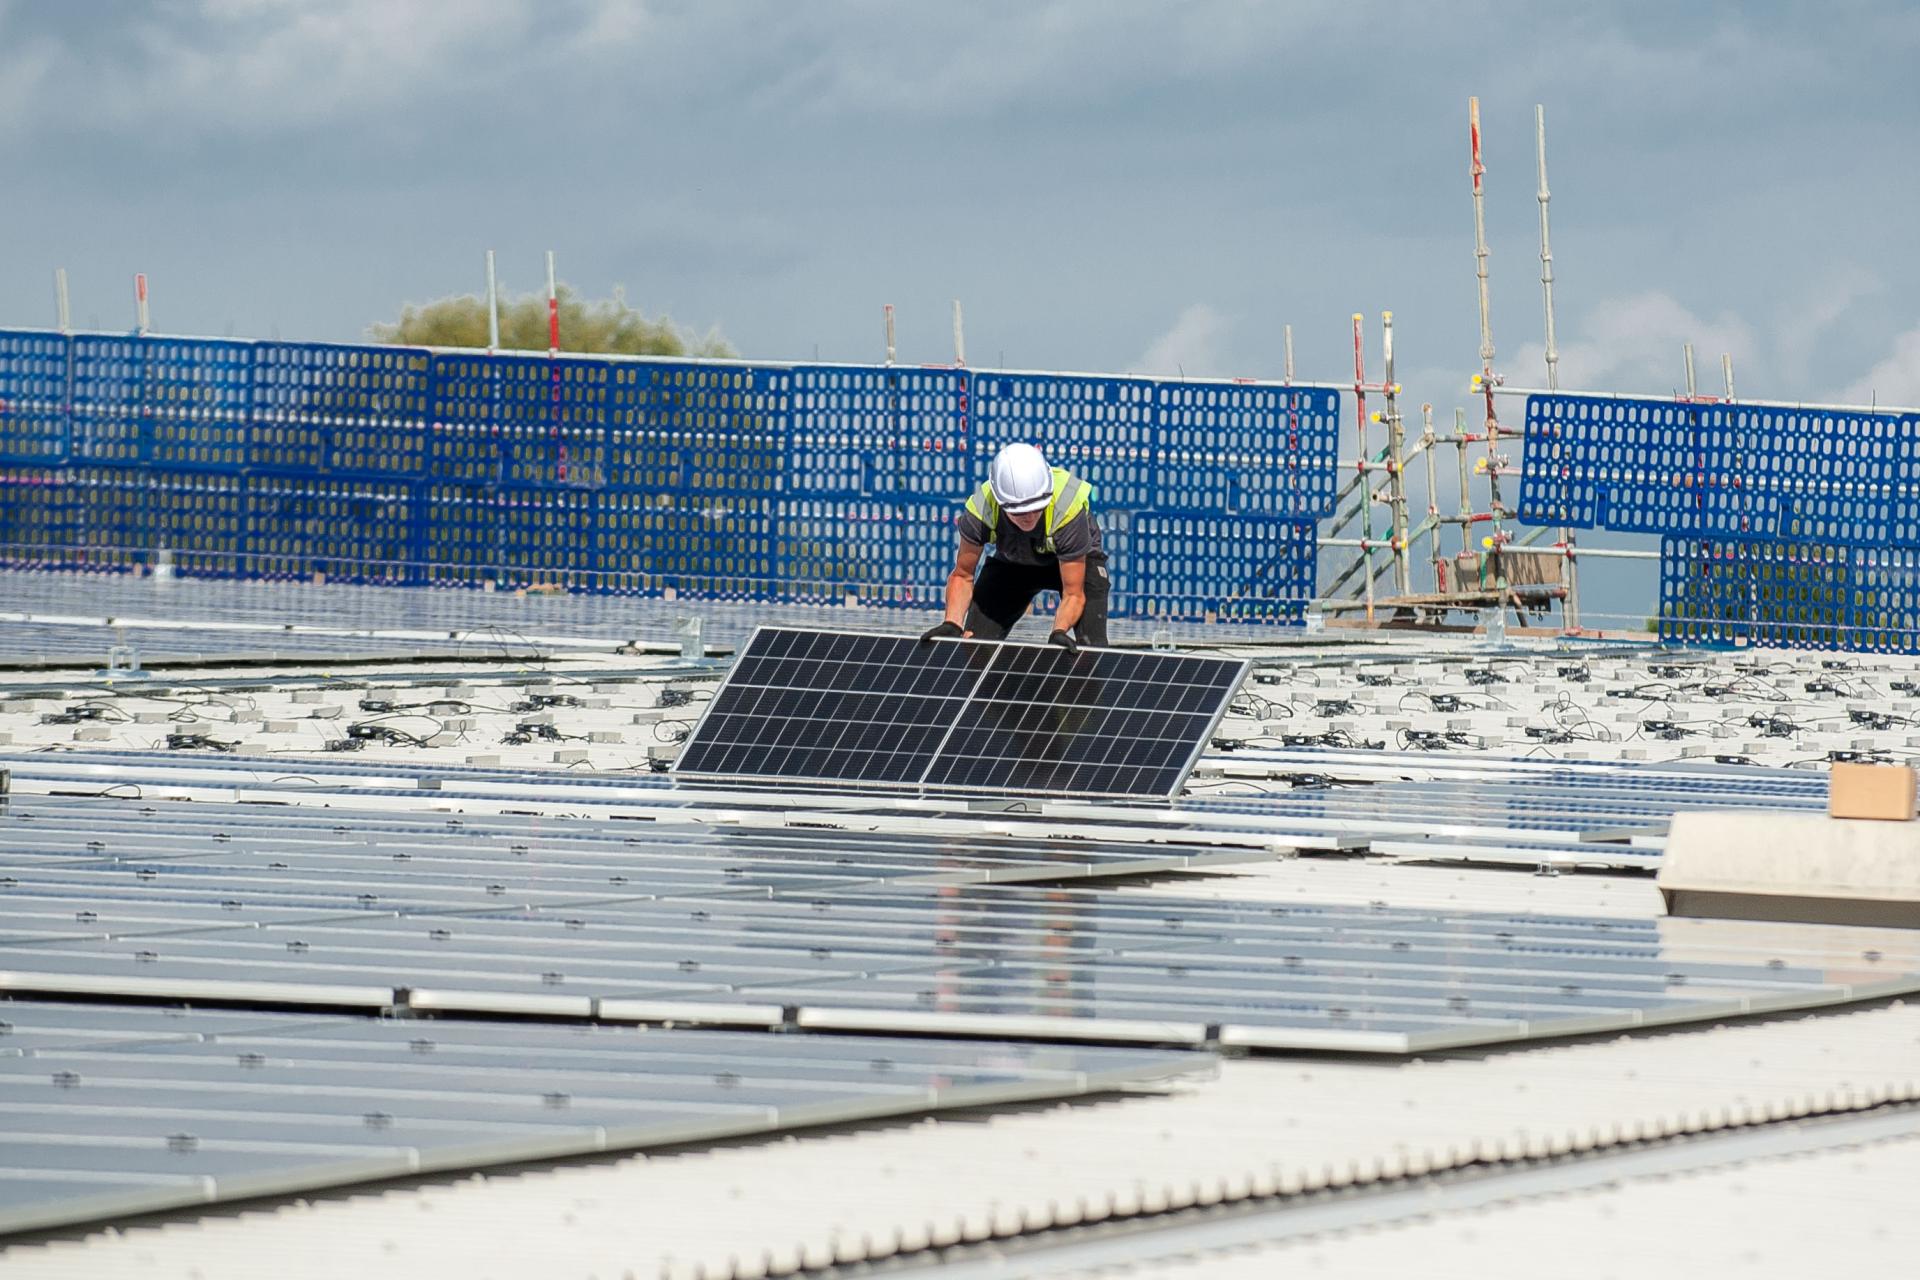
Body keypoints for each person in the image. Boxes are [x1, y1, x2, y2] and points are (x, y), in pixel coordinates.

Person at [919, 442, 1109, 651]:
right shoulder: (981, 510)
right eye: (1018, 512)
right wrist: (952, 623)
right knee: (975, 646)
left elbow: (1074, 593)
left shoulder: (1066, 508)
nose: (1029, 517)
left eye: (1037, 508)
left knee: (1091, 652)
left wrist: (1059, 631)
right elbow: (962, 575)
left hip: (1077, 564)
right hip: (1014, 563)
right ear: (1001, 502)